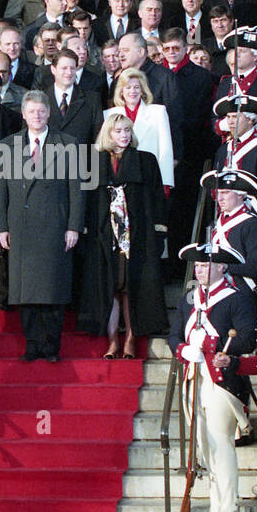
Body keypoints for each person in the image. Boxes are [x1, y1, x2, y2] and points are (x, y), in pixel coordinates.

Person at [167, 242, 257, 512]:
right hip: (194, 377)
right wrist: (183, 349)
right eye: (197, 265)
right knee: (205, 449)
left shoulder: (238, 297)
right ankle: (215, 509)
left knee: (220, 444)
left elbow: (246, 339)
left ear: (222, 267)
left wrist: (208, 346)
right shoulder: (189, 299)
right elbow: (173, 335)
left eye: (206, 265)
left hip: (222, 381)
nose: (200, 270)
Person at [0, 91, 85, 363]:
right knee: (26, 292)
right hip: (20, 227)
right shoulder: (7, 146)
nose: (37, 116)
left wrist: (74, 226)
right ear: (23, 114)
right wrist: (1, 227)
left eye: (41, 111)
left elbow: (77, 191)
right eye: (31, 111)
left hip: (56, 226)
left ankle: (51, 348)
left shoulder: (68, 143)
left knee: (52, 291)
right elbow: (0, 191)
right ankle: (32, 345)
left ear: (49, 113)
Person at [77, 114, 168, 358]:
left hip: (136, 235)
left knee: (129, 287)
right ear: (108, 133)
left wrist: (160, 232)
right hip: (104, 235)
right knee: (110, 287)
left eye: (127, 130)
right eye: (118, 131)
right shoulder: (94, 161)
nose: (124, 136)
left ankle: (129, 339)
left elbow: (157, 199)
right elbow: (87, 202)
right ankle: (112, 341)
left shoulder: (146, 160)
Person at [202, 168, 257, 310]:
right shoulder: (215, 223)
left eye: (226, 193)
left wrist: (225, 267)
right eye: (219, 193)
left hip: (242, 291)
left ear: (241, 195)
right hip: (216, 289)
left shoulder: (252, 224)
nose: (220, 198)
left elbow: (254, 267)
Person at [105, 68, 174, 190]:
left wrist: (166, 182)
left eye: (136, 87)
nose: (133, 91)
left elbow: (165, 149)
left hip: (150, 177)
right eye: (128, 87)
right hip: (120, 180)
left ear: (142, 90)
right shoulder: (108, 114)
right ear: (121, 91)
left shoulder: (158, 111)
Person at [213, 94, 257, 216]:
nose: (230, 122)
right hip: (225, 215)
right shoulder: (223, 150)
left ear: (250, 120)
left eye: (235, 117)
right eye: (228, 117)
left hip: (253, 214)